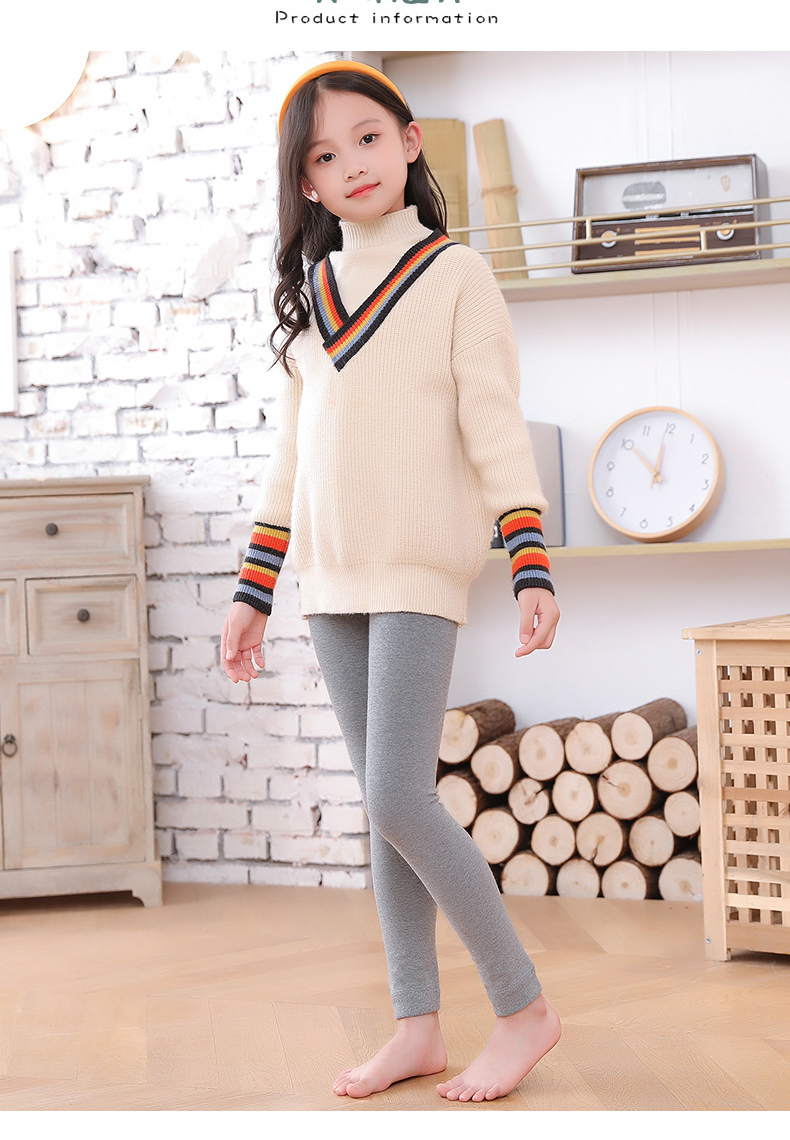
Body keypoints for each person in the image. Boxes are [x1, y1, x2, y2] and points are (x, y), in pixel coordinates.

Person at [221, 59, 562, 1103]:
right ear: (307, 184)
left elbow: (494, 425)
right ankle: (417, 1023)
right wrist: (252, 590)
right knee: (384, 806)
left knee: (397, 795)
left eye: (368, 138)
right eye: (325, 155)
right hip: (328, 577)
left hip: (418, 564)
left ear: (409, 143)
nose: (352, 164)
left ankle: (524, 1009)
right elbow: (290, 460)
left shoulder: (456, 276)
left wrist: (529, 560)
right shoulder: (310, 300)